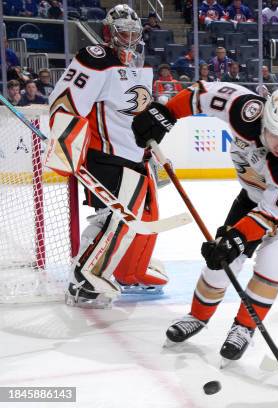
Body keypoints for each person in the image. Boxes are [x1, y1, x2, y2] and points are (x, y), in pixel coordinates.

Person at [132, 85, 278, 361]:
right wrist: (165, 112)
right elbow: (201, 95)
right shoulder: (245, 110)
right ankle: (197, 317)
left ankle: (244, 327)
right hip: (254, 194)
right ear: (263, 120)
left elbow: (272, 215)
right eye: (275, 133)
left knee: (273, 259)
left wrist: (237, 238)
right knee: (219, 266)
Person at [46, 4, 166, 308]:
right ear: (108, 33)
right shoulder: (96, 59)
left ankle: (123, 270)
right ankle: (82, 281)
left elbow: (132, 113)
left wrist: (150, 145)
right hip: (107, 157)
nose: (127, 38)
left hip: (134, 157)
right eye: (121, 32)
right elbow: (63, 101)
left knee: (131, 219)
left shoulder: (137, 64)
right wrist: (66, 143)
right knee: (111, 217)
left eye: (132, 32)